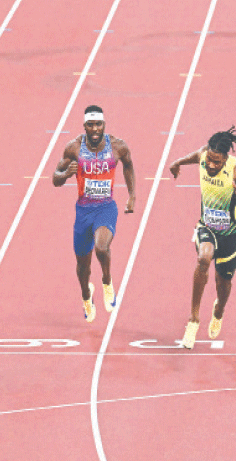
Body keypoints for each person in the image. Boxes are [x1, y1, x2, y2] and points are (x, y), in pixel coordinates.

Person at [169, 126, 236, 349]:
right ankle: (193, 320)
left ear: (225, 159)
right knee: (203, 258)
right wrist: (177, 162)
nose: (210, 165)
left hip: (229, 236)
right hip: (206, 228)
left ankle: (218, 310)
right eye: (209, 159)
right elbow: (194, 157)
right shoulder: (202, 156)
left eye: (216, 162)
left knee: (223, 283)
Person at [53, 105, 136, 322]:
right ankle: (86, 296)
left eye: (98, 124)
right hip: (83, 211)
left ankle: (107, 282)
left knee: (102, 247)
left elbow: (128, 165)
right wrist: (65, 174)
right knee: (83, 267)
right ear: (84, 127)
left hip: (105, 207)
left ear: (104, 124)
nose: (95, 129)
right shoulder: (74, 148)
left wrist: (132, 195)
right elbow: (55, 178)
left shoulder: (117, 146)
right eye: (90, 125)